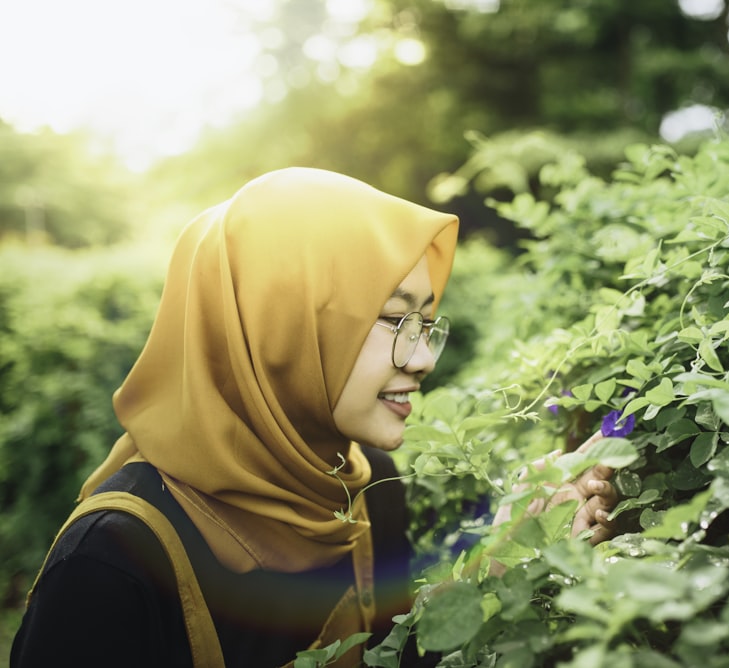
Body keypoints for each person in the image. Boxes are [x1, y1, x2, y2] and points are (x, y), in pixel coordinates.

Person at [10, 168, 618, 668]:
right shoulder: (111, 561)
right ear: (281, 324)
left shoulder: (363, 482)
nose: (425, 356)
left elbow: (389, 659)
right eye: (393, 319)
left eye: (427, 322)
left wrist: (507, 553)